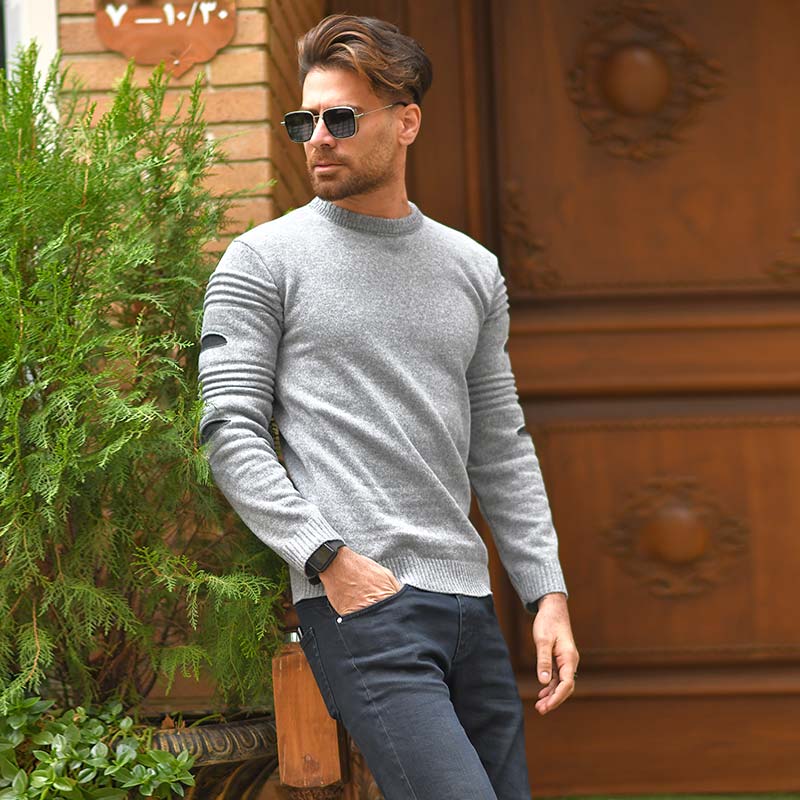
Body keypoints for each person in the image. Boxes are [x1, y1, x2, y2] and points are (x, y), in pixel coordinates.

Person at [198, 13, 578, 800]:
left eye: (341, 119)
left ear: (406, 122)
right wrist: (327, 560)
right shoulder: (262, 262)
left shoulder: (472, 269)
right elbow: (229, 430)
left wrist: (546, 593)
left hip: (468, 605)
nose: (318, 139)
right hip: (361, 603)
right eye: (304, 121)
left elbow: (500, 443)